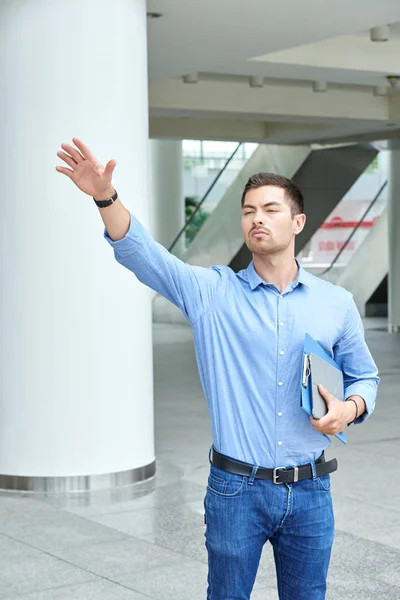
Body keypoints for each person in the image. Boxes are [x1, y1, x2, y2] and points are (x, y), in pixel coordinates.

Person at [56, 138, 379, 600]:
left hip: (311, 490)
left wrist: (348, 409)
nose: (257, 219)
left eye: (270, 209)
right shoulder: (213, 292)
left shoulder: (336, 304)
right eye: (248, 211)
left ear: (298, 222)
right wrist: (105, 196)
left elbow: (366, 377)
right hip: (235, 492)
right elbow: (144, 256)